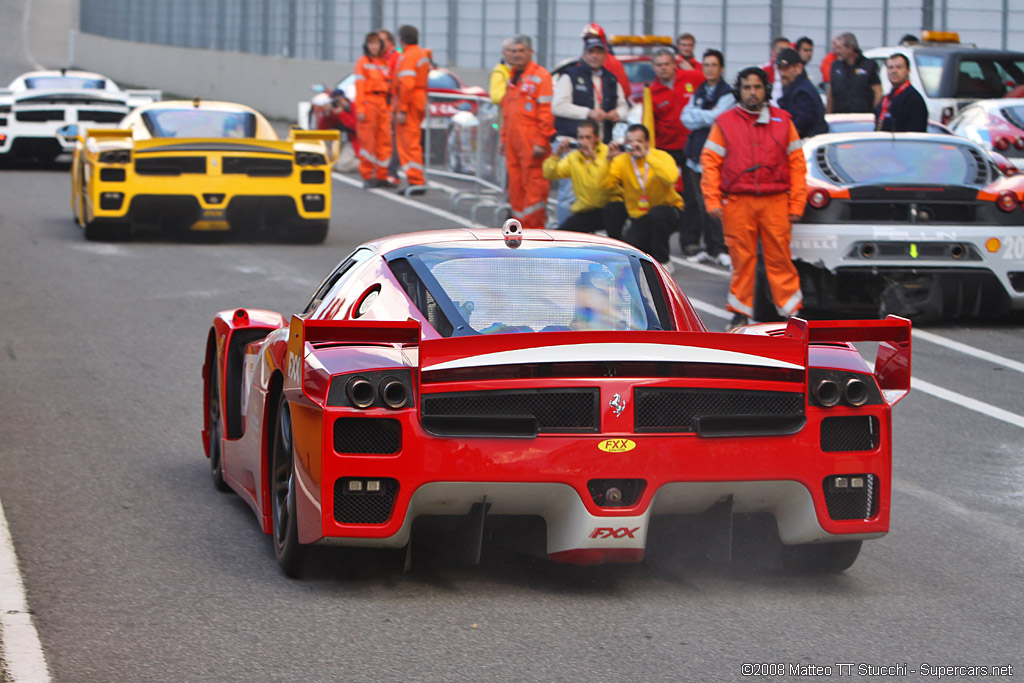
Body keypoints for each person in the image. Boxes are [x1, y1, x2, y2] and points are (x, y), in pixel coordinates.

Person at [700, 67, 807, 329]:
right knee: (741, 259)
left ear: (766, 90)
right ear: (739, 91)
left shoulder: (783, 121)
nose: (752, 92)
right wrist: (712, 200)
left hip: (776, 201)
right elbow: (710, 162)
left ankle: (791, 313)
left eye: (757, 87)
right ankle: (740, 312)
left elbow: (797, 164)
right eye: (747, 87)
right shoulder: (725, 123)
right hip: (738, 201)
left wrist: (797, 203)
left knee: (780, 258)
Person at [552, 37, 629, 225]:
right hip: (573, 142)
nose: (595, 56)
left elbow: (624, 107)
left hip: (601, 145)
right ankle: (564, 238)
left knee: (605, 192)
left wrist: (616, 114)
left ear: (604, 55)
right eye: (591, 52)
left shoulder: (610, 79)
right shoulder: (570, 75)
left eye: (599, 52)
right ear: (584, 54)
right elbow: (558, 106)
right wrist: (588, 113)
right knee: (570, 194)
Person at [648, 46, 705, 257]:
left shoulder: (693, 78)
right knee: (666, 197)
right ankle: (659, 242)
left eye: (667, 64)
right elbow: (650, 122)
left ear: (675, 64)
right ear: (654, 67)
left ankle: (690, 241)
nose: (663, 68)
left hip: (691, 148)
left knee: (693, 196)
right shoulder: (651, 92)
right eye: (659, 65)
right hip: (666, 150)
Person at [603, 123, 684, 270]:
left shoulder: (661, 156)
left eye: (639, 141)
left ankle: (664, 260)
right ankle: (644, 251)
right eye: (630, 141)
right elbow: (604, 185)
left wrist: (647, 157)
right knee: (631, 249)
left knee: (657, 215)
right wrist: (608, 161)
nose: (634, 145)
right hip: (640, 216)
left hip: (668, 210)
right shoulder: (622, 160)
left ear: (647, 143)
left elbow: (671, 178)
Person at [681, 49, 734, 267]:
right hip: (695, 156)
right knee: (699, 205)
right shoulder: (700, 90)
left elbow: (718, 118)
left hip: (715, 158)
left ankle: (720, 247)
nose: (709, 69)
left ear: (721, 68)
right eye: (706, 65)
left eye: (714, 65)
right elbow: (686, 118)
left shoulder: (728, 93)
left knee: (715, 204)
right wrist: (706, 114)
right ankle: (709, 247)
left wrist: (701, 114)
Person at [501, 34, 555, 229]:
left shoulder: (541, 76)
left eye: (521, 51)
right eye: (514, 51)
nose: (517, 55)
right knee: (516, 190)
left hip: (532, 143)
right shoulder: (513, 76)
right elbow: (507, 111)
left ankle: (535, 233)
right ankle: (519, 231)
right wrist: (504, 138)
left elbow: (547, 113)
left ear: (530, 52)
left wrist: (541, 141)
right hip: (514, 144)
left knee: (534, 190)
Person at [542, 119, 626, 237]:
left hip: (610, 207)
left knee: (613, 210)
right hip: (587, 210)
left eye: (588, 137)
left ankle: (618, 247)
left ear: (597, 138)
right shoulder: (574, 157)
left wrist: (593, 158)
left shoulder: (609, 153)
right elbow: (549, 174)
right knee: (562, 235)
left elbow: (602, 182)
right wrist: (556, 155)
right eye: (580, 138)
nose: (583, 142)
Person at [393, 25, 430, 193]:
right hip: (418, 98)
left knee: (409, 141)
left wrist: (402, 109)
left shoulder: (408, 56)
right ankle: (415, 179)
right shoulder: (420, 53)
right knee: (412, 139)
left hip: (410, 100)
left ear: (401, 39)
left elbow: (407, 85)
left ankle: (415, 180)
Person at [354, 31, 394, 188]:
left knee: (384, 141)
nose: (374, 47)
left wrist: (389, 107)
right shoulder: (362, 62)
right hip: (369, 103)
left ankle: (382, 175)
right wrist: (361, 108)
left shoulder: (385, 63)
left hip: (383, 104)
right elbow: (360, 87)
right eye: (371, 44)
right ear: (366, 46)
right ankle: (367, 175)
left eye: (376, 43)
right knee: (368, 142)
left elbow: (390, 88)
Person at [776, 48, 828, 138]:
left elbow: (805, 119)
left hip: (809, 142)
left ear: (798, 68)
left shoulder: (802, 91)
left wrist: (785, 137)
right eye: (780, 68)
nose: (782, 73)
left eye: (786, 68)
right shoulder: (793, 87)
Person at [827, 32, 882, 114]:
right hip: (839, 118)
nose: (836, 51)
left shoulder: (869, 65)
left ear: (850, 48)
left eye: (839, 48)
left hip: (862, 119)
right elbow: (830, 92)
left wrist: (874, 114)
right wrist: (828, 115)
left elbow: (878, 92)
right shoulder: (836, 66)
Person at [875, 53, 928, 132]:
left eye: (899, 67)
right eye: (890, 67)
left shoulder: (913, 99)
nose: (894, 71)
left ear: (908, 70)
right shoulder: (888, 97)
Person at [581, 24, 631, 103]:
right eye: (588, 39)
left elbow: (625, 92)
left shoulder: (613, 63)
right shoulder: (580, 64)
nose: (594, 56)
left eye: (594, 38)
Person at [761, 36, 792, 104]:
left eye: (787, 50)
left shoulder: (794, 71)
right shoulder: (765, 70)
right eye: (782, 50)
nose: (785, 53)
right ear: (773, 52)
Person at [490, 38, 514, 104]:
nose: (512, 54)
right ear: (503, 52)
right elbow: (496, 97)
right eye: (509, 50)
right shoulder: (499, 72)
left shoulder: (520, 69)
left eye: (514, 51)